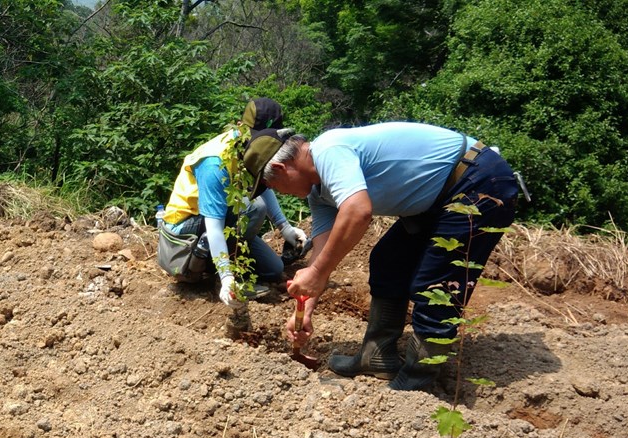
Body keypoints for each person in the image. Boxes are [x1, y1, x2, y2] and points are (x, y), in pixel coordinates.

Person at [244, 123, 517, 390]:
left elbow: (358, 211)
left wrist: (315, 274)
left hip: (477, 183)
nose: (277, 193)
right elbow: (321, 257)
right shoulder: (318, 192)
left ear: (280, 168)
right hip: (438, 199)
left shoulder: (328, 148)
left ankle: (418, 379)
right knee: (388, 261)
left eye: (271, 185)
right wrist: (306, 308)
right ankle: (377, 356)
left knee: (436, 284)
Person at [158, 98, 307, 307]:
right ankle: (222, 277)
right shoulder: (215, 163)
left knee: (273, 269)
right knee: (254, 208)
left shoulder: (251, 151)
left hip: (224, 221)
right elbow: (214, 227)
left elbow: (260, 183)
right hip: (186, 231)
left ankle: (229, 262)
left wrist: (285, 227)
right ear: (242, 128)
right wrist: (227, 276)